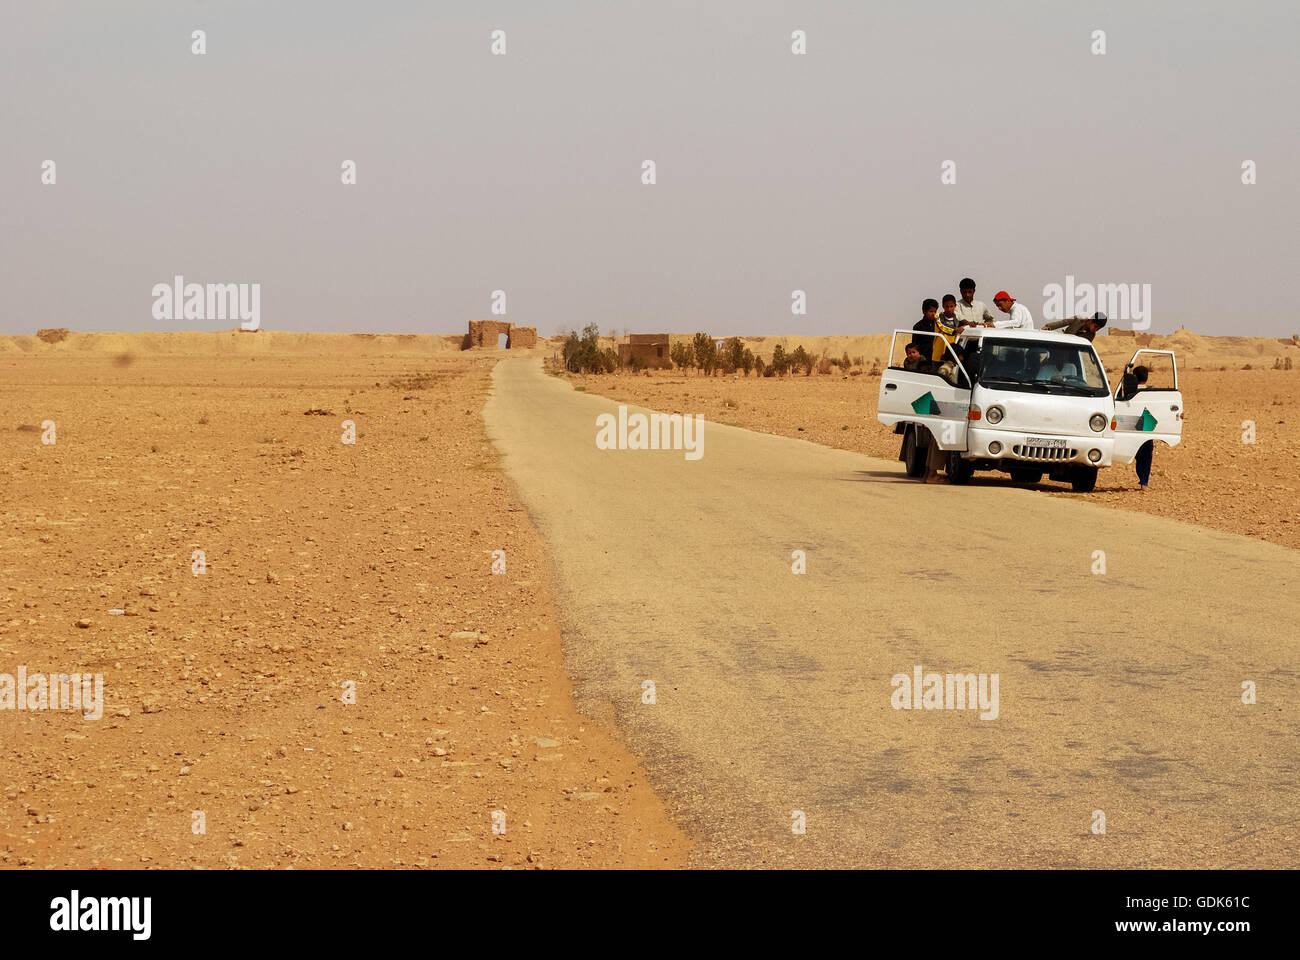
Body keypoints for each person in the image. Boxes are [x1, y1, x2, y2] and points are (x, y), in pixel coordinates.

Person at [1117, 364, 1154, 491]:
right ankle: (1144, 482)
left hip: (1130, 424)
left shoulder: (1130, 392)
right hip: (1147, 426)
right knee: (1146, 456)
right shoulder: (1152, 392)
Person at [1043, 311, 1108, 341]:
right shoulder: (1077, 319)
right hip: (1062, 344)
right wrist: (1048, 327)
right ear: (1091, 320)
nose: (1096, 330)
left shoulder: (1091, 335)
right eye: (1096, 326)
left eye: (1098, 329)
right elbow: (1062, 323)